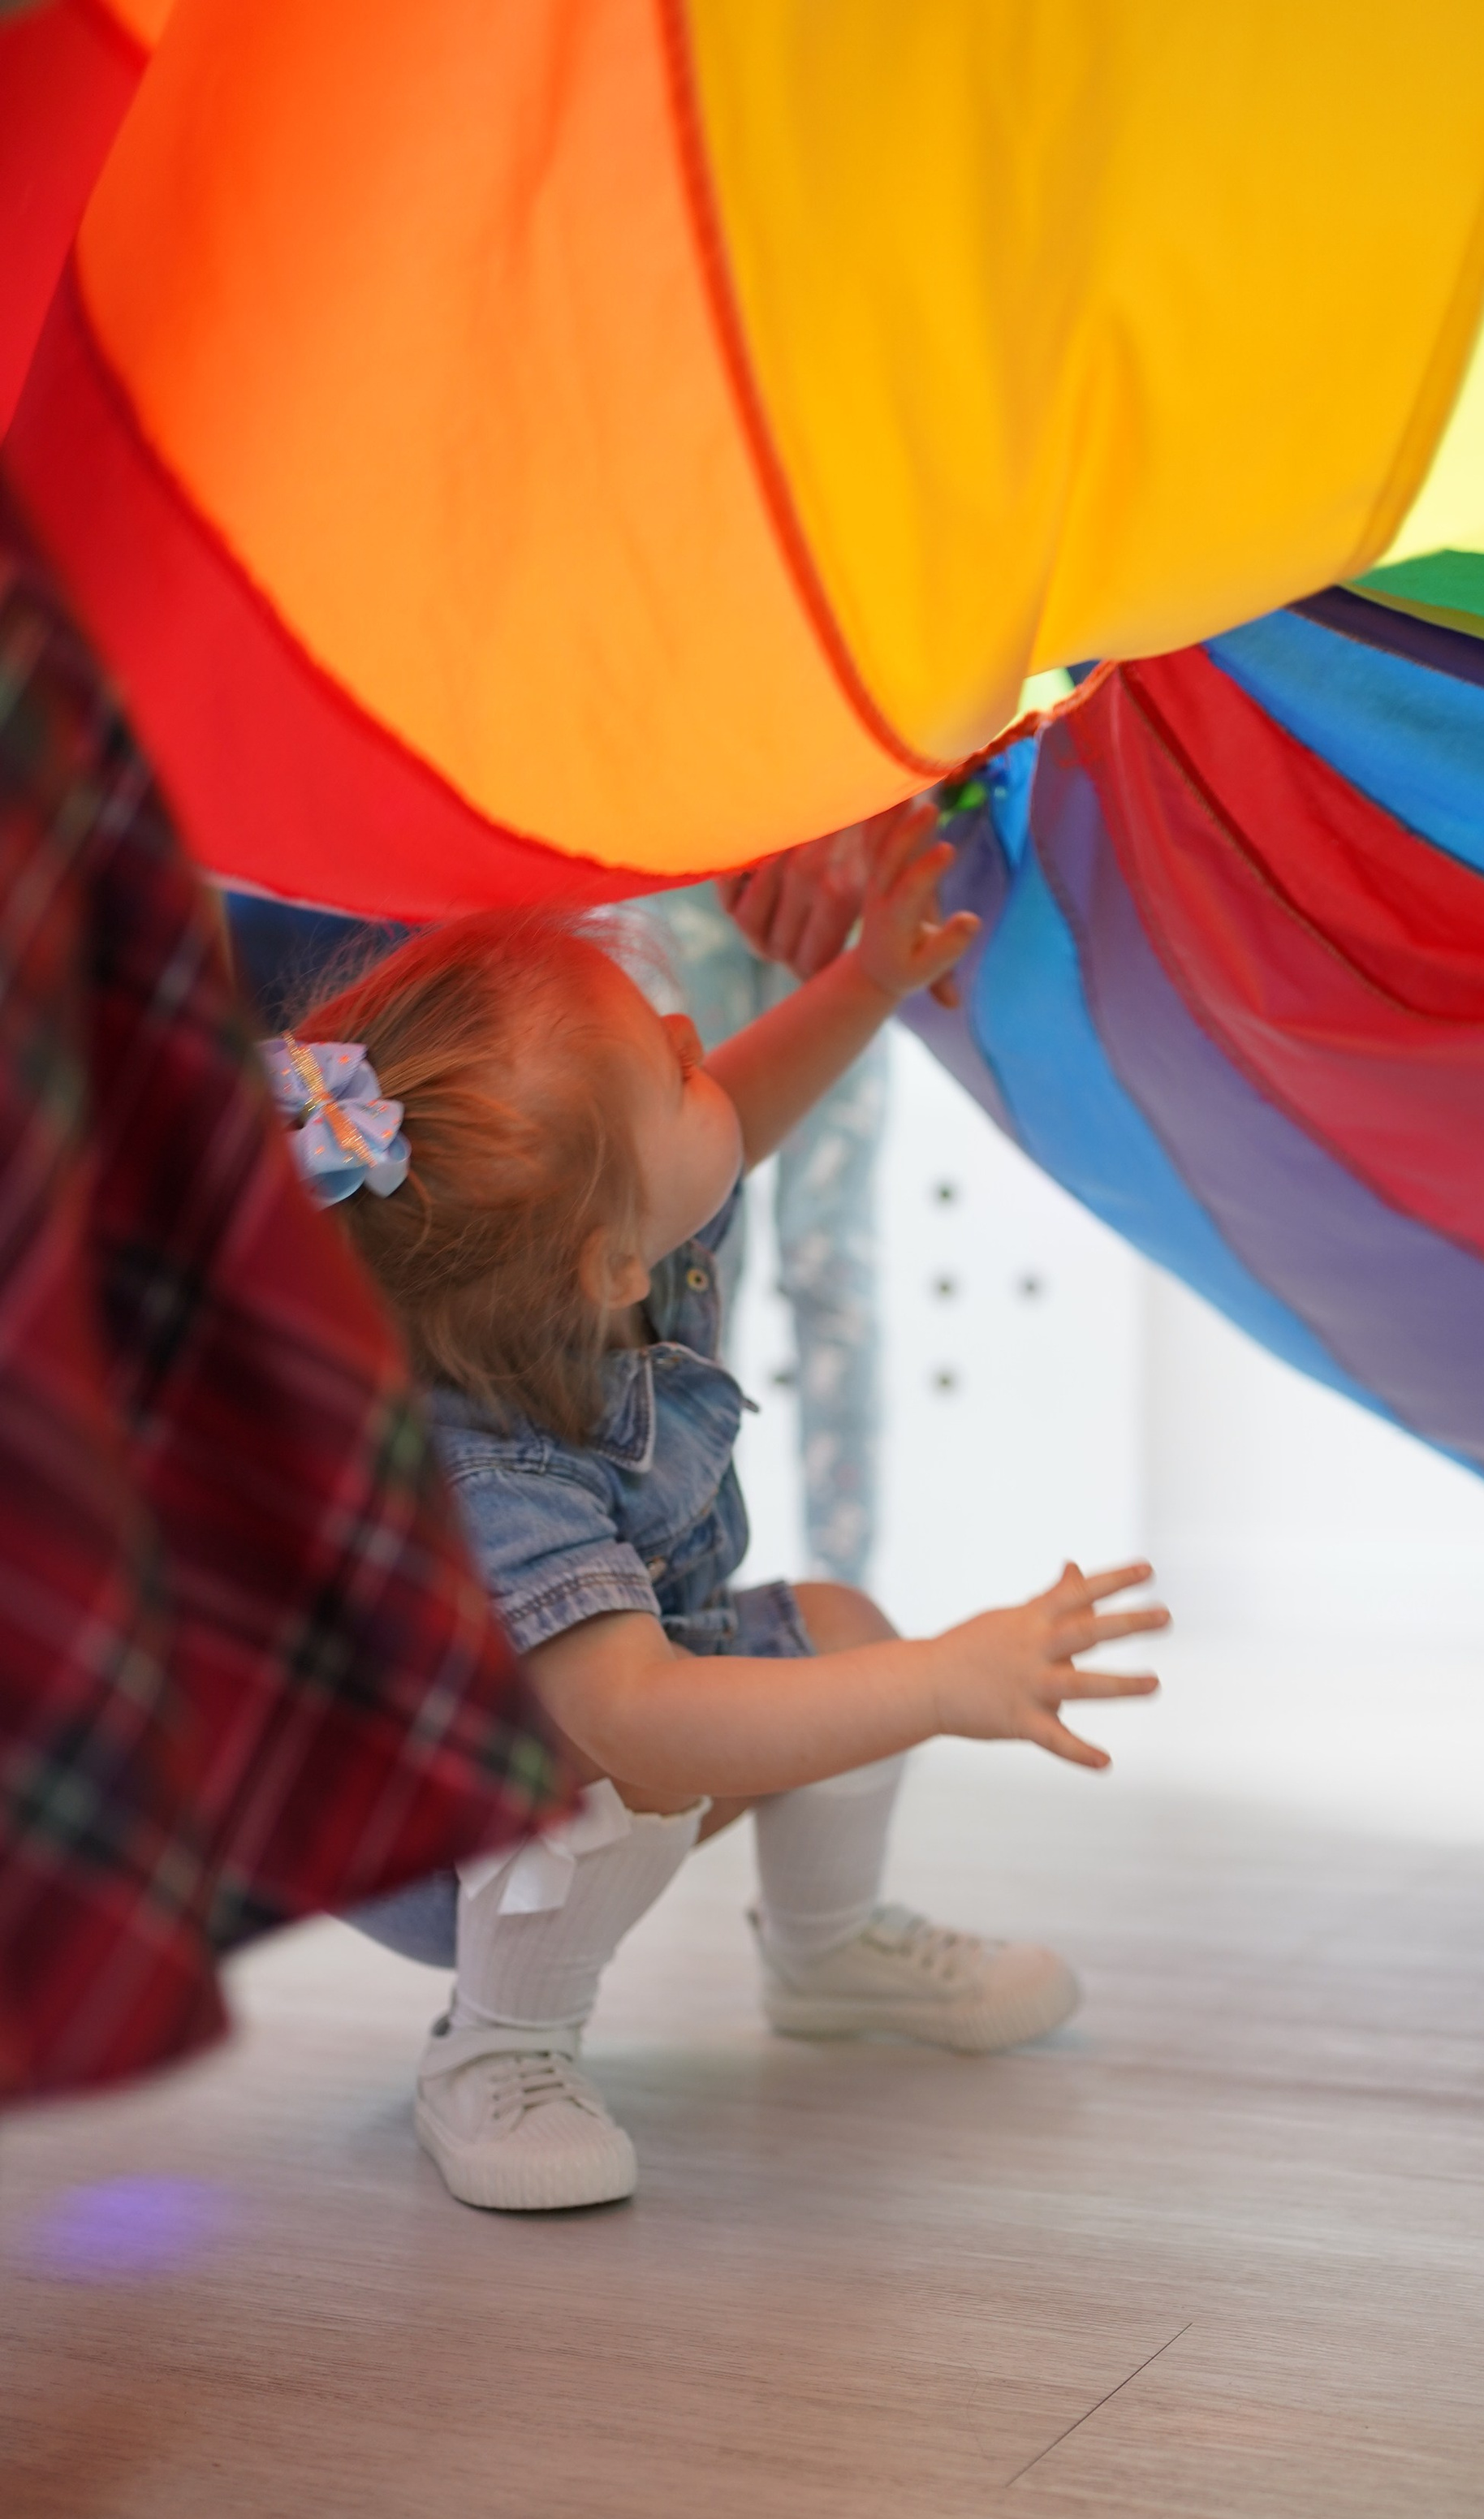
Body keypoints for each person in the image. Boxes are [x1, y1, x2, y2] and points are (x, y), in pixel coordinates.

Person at [0, 479, 567, 2519]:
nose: (695, 1041)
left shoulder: (617, 1325)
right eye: (662, 1038)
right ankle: (508, 2034)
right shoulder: (541, 1482)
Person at [277, 802, 1167, 2213]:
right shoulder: (492, 1464)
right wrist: (936, 1683)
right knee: (624, 1764)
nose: (706, 1056)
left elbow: (739, 1106)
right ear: (605, 1266)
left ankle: (827, 1949)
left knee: (835, 1627)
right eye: (676, 1075)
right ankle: (495, 2050)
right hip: (434, 1843)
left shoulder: (607, 1231)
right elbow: (633, 1712)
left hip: (592, 1752)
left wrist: (865, 981)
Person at [645, 826, 888, 1587]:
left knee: (829, 1259)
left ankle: (844, 1591)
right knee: (690, 1244)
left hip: (839, 843)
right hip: (679, 848)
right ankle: (690, 1584)